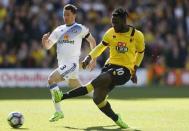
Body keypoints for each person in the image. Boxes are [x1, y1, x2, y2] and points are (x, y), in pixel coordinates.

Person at [51, 7, 145, 129]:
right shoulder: (111, 33)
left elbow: (141, 52)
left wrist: (135, 69)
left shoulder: (137, 35)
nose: (114, 25)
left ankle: (63, 96)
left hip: (125, 70)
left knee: (102, 79)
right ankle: (117, 119)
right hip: (109, 66)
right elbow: (100, 47)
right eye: (112, 22)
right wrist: (89, 57)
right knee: (97, 99)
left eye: (116, 22)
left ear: (124, 21)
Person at [41, 4, 96, 122]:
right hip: (63, 65)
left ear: (74, 15)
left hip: (72, 64)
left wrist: (93, 58)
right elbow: (48, 46)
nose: (65, 17)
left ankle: (58, 112)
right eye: (64, 14)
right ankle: (98, 95)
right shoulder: (58, 30)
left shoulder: (80, 28)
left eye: (68, 14)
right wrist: (44, 41)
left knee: (51, 79)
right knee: (77, 87)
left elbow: (92, 41)